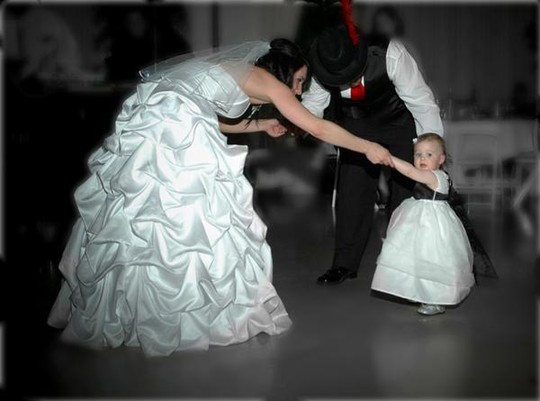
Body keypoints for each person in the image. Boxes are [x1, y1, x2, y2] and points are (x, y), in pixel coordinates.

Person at [47, 38, 394, 357]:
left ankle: (127, 306)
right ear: (285, 72)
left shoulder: (237, 71)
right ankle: (179, 311)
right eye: (299, 81)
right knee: (195, 213)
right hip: (177, 119)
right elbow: (316, 126)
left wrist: (260, 125)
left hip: (155, 110)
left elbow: (209, 114)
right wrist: (367, 146)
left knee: (144, 208)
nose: (299, 90)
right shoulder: (268, 82)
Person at [302, 21, 444, 285]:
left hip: (399, 122)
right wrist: (297, 124)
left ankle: (404, 265)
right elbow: (312, 108)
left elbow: (423, 104)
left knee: (405, 194)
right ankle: (344, 264)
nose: (350, 81)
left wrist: (432, 153)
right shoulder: (324, 66)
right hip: (357, 127)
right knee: (351, 192)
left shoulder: (391, 53)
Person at [371, 133, 475, 315]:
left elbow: (411, 172)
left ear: (441, 159)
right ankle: (417, 290)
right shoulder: (431, 175)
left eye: (429, 154)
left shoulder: (436, 176)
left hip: (433, 225)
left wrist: (389, 158)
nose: (422, 159)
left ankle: (435, 299)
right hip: (418, 218)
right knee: (417, 257)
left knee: (432, 259)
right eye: (418, 154)